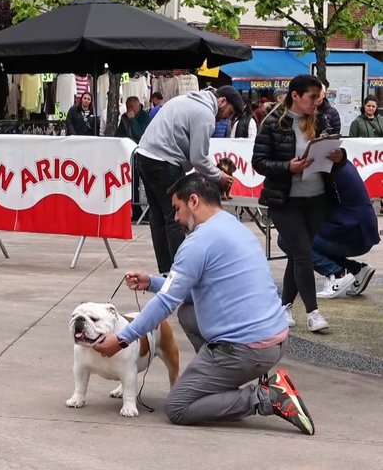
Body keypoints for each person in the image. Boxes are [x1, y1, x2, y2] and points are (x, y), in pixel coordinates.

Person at [94, 173, 315, 436]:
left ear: (194, 201)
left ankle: (267, 397)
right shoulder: (233, 227)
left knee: (178, 407)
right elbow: (187, 295)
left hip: (247, 350)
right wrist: (152, 282)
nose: (175, 218)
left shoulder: (197, 242)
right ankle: (218, 386)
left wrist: (122, 339)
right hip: (274, 340)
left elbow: (166, 303)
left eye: (177, 208)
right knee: (188, 313)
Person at [253, 74, 345, 332]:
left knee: (297, 254)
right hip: (284, 200)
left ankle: (283, 307)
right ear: (295, 95)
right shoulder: (272, 123)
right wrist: (288, 166)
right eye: (312, 97)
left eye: (319, 97)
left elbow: (337, 158)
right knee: (304, 253)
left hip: (316, 199)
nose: (317, 102)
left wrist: (339, 157)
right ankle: (313, 312)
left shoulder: (320, 120)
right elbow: (258, 162)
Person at [134, 85, 240, 274]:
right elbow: (198, 158)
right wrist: (219, 176)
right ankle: (180, 273)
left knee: (157, 216)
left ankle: (166, 270)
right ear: (222, 101)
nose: (224, 118)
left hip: (144, 155)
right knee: (175, 217)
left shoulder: (186, 100)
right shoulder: (205, 114)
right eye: (228, 113)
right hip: (164, 161)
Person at [277, 161, 378, 298]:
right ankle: (356, 270)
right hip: (362, 229)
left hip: (353, 231)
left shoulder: (320, 167)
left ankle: (337, 274)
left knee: (286, 239)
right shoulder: (334, 160)